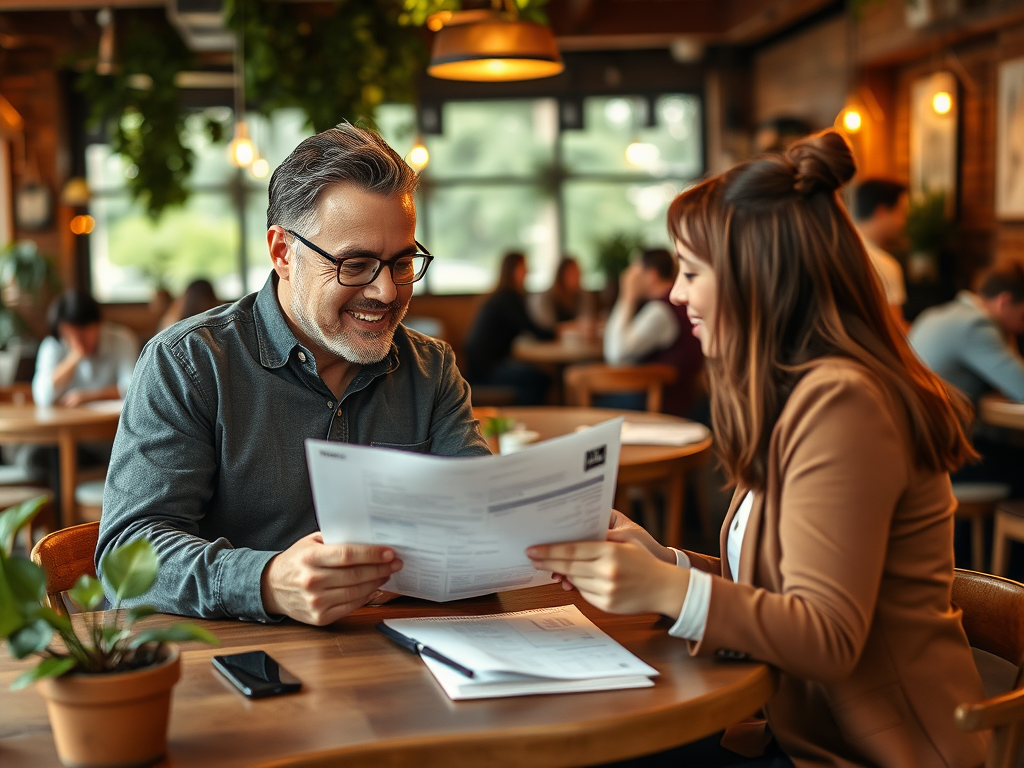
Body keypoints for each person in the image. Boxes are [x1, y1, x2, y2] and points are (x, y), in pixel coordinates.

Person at [528, 130, 987, 767]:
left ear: (755, 280)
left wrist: (664, 590)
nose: (677, 294)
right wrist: (667, 565)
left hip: (865, 752)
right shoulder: (806, 394)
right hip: (791, 732)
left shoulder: (844, 404)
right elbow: (780, 592)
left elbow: (825, 636)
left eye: (691, 273)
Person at [97, 123, 490, 625]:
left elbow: (480, 517)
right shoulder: (189, 363)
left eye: (402, 262)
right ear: (283, 252)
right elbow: (127, 557)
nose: (388, 292)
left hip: (396, 663)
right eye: (356, 264)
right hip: (226, 667)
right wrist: (264, 582)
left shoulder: (431, 368)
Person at [909, 259, 1024, 498]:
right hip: (941, 459)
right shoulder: (976, 325)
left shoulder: (936, 314)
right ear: (1004, 302)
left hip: (915, 453)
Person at [603, 247, 704, 417]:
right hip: (682, 398)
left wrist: (626, 297)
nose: (629, 277)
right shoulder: (671, 306)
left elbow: (615, 354)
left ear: (651, 275)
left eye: (635, 271)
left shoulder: (661, 311)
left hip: (661, 404)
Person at [464, 251, 555, 405]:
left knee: (535, 375)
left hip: (480, 366)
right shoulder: (509, 298)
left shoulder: (502, 296)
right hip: (486, 370)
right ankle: (525, 419)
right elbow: (536, 331)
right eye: (523, 266)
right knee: (540, 379)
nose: (527, 271)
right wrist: (559, 331)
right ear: (513, 270)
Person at [32, 289, 139, 408]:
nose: (76, 340)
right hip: (65, 422)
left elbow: (133, 389)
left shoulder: (122, 340)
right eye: (68, 335)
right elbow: (41, 396)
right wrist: (74, 358)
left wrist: (90, 396)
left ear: (99, 324)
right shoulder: (53, 344)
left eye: (82, 334)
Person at [853, 178, 909, 329]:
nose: (903, 221)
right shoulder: (885, 265)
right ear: (882, 212)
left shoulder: (834, 248)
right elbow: (895, 331)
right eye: (901, 212)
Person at [531, 256, 590, 330]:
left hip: (575, 338)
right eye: (572, 273)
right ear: (561, 275)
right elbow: (547, 327)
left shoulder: (582, 295)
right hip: (552, 340)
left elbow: (586, 320)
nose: (577, 277)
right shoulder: (548, 297)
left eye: (578, 273)